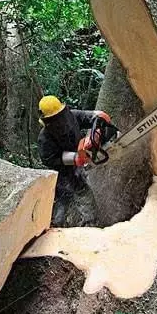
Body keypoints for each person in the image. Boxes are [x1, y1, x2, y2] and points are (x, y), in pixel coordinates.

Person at [37, 95, 111, 226]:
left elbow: (89, 117)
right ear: (47, 121)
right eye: (55, 119)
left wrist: (98, 118)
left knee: (83, 193)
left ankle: (90, 224)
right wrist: (74, 158)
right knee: (63, 202)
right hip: (62, 173)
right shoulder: (45, 138)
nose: (60, 121)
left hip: (78, 163)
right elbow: (48, 159)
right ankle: (56, 227)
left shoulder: (71, 116)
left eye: (61, 116)